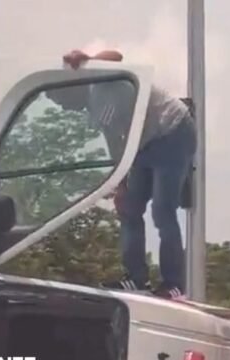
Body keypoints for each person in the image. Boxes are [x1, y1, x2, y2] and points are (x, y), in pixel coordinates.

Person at [60, 48, 197, 300]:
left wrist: (88, 59)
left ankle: (174, 284)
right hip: (142, 143)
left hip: (173, 130)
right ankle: (135, 278)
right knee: (129, 208)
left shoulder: (99, 82)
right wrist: (120, 185)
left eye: (63, 102)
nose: (65, 109)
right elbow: (116, 145)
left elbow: (117, 55)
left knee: (162, 210)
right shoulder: (92, 111)